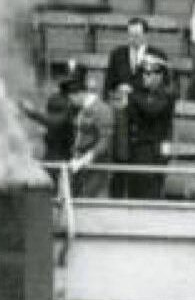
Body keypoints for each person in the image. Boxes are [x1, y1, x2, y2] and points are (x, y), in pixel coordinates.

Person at [119, 54, 175, 199]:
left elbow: (152, 110)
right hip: (138, 148)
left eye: (150, 73)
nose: (146, 77)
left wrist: (130, 98)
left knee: (152, 191)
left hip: (155, 149)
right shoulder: (139, 94)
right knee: (135, 191)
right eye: (144, 73)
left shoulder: (166, 95)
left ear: (160, 76)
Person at [69, 70, 115, 198]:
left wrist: (85, 159)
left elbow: (104, 142)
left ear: (80, 93)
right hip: (79, 162)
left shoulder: (103, 110)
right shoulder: (80, 110)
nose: (70, 100)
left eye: (72, 96)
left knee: (90, 199)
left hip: (96, 165)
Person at [20, 70, 80, 165]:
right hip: (55, 147)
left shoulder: (68, 105)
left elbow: (54, 121)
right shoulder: (61, 101)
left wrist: (31, 112)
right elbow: (51, 119)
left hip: (61, 151)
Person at [104, 18, 153, 99]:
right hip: (121, 103)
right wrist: (119, 88)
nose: (132, 39)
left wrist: (134, 91)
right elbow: (108, 85)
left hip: (146, 105)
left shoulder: (157, 55)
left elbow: (161, 89)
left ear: (146, 35)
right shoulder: (117, 54)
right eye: (130, 35)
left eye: (136, 35)